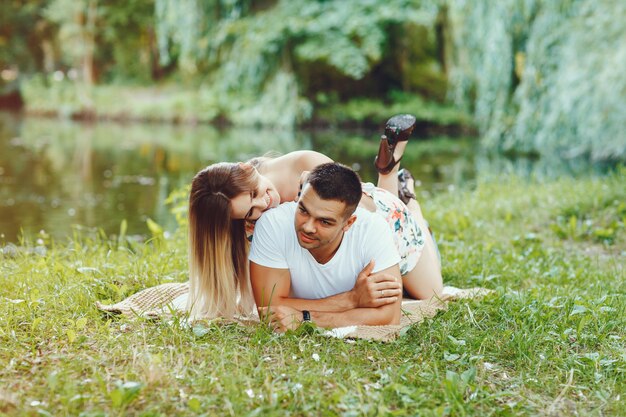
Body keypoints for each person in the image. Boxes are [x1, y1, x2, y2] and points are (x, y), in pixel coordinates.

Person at [186, 115, 443, 320]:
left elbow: (352, 203)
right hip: (338, 238)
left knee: (431, 293)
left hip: (381, 216)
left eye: (255, 192)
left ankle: (408, 198)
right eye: (250, 211)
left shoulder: (303, 163)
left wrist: (308, 195)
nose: (263, 204)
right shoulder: (247, 215)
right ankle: (390, 174)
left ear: (246, 169)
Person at [249, 163, 404, 330]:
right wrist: (352, 299)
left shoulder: (373, 229)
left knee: (426, 290)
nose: (308, 227)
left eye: (324, 221)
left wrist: (305, 319)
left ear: (348, 223)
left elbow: (390, 315)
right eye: (303, 210)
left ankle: (407, 192)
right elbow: (270, 310)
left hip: (398, 223)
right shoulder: (273, 223)